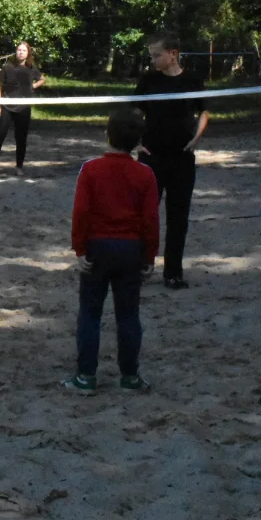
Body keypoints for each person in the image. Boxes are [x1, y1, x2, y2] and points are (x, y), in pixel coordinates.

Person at [62, 108, 159, 395]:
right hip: (130, 249)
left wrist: (79, 248)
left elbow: (81, 212)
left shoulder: (91, 169)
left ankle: (86, 376)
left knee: (90, 314)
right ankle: (130, 375)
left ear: (107, 135)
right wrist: (150, 255)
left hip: (97, 247)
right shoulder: (145, 174)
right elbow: (150, 219)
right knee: (128, 315)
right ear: (138, 141)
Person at [134, 32, 209, 290]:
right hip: (151, 157)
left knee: (178, 217)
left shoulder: (192, 80)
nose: (153, 60)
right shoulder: (148, 80)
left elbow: (204, 111)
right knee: (145, 214)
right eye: (151, 55)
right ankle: (143, 265)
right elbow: (135, 112)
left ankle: (173, 272)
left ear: (173, 54)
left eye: (157, 55)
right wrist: (136, 141)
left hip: (182, 158)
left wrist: (197, 137)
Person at [0, 40, 45, 176]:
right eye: (19, 50)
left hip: (23, 108)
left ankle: (19, 167)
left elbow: (42, 79)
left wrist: (33, 86)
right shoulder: (7, 67)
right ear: (16, 51)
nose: (21, 52)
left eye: (24, 50)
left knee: (21, 138)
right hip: (6, 107)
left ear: (28, 53)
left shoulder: (31, 68)